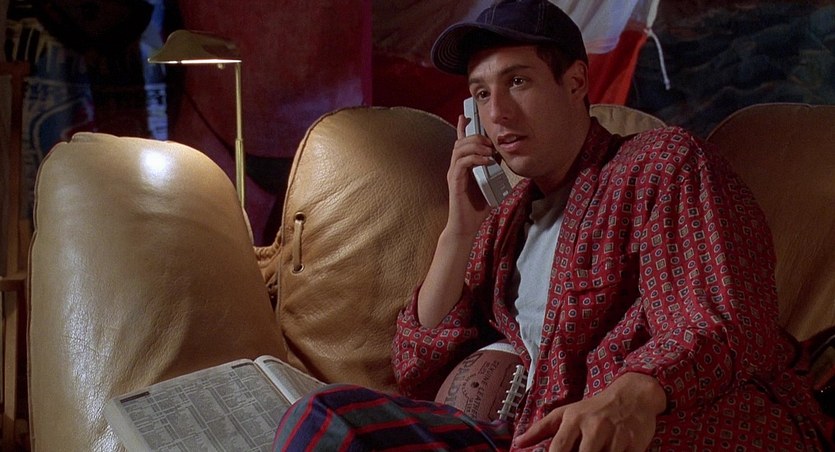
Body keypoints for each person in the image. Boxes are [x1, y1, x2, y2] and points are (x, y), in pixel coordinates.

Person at [273, 1, 831, 450]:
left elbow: (717, 320)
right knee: (325, 418)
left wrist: (632, 394)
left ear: (576, 82)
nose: (498, 113)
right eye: (481, 93)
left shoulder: (661, 164)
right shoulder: (504, 219)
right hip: (518, 433)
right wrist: (459, 228)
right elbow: (417, 363)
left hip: (650, 427)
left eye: (518, 81)